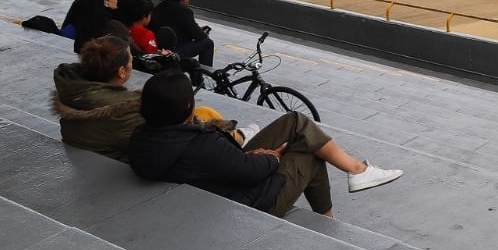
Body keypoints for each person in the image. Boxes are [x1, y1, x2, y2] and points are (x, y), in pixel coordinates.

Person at [129, 71, 401, 217]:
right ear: (188, 107)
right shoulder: (200, 143)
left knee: (294, 121)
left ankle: (356, 171)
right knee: (309, 149)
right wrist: (271, 157)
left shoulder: (144, 137)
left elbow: (224, 163)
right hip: (254, 200)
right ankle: (334, 209)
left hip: (221, 177)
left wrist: (255, 156)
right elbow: (250, 173)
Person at [151, 0, 215, 66]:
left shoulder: (160, 6)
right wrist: (203, 33)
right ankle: (206, 74)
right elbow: (199, 36)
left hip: (157, 46)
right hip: (174, 50)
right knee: (208, 43)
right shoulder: (185, 11)